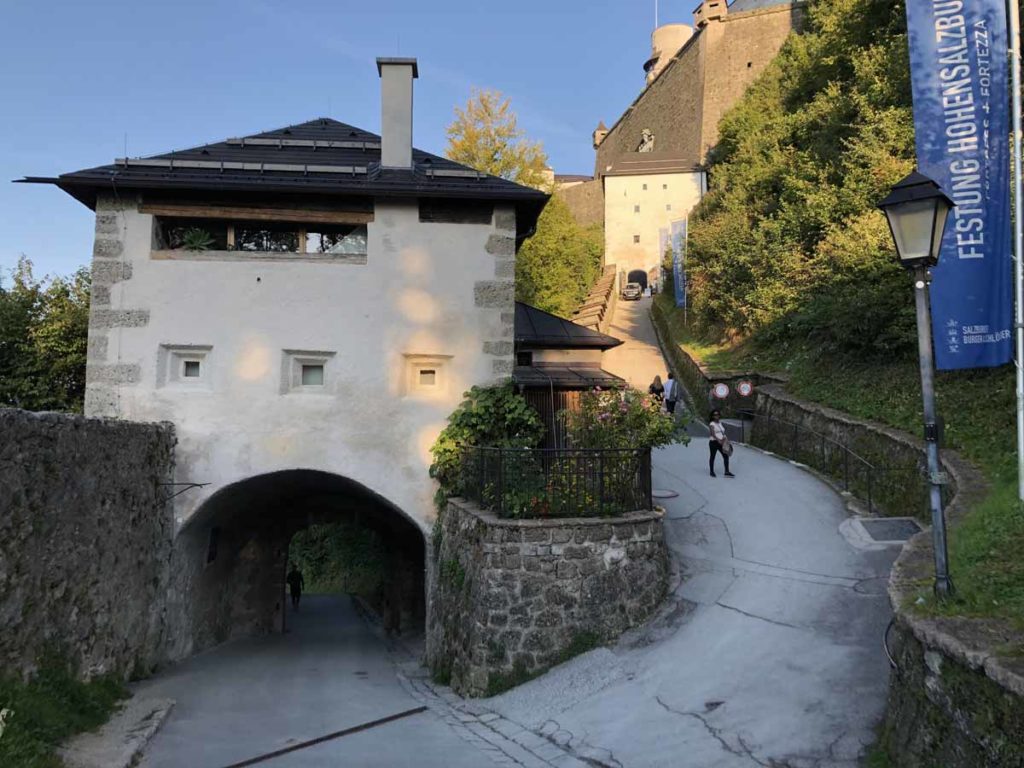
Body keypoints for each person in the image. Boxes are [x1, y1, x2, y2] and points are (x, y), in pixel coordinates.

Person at [709, 410, 735, 478]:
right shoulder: (712, 424)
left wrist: (726, 439)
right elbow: (712, 433)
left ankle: (727, 472)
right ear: (712, 416)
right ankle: (711, 471)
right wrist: (718, 440)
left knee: (725, 455)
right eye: (715, 415)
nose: (716, 416)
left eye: (717, 414)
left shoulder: (720, 423)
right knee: (712, 456)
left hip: (722, 442)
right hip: (714, 442)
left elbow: (722, 432)